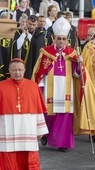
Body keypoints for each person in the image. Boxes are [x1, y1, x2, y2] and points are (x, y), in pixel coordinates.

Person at [0, 58, 48, 170]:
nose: (17, 73)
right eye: (14, 70)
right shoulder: (0, 87)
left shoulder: (33, 86)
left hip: (28, 130)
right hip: (7, 130)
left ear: (24, 70)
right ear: (9, 70)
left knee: (28, 163)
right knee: (8, 163)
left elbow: (38, 110)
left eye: (20, 70)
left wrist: (40, 130)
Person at [32, 17, 82, 152]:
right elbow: (39, 71)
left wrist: (79, 65)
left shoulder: (72, 53)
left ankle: (63, 143)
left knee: (65, 115)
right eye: (58, 38)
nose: (61, 41)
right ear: (54, 38)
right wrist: (40, 86)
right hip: (50, 87)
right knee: (49, 113)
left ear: (67, 39)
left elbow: (78, 74)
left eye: (63, 39)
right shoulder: (46, 52)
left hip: (66, 88)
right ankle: (46, 134)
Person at [11, 15, 45, 79]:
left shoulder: (40, 34)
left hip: (32, 61)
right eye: (29, 24)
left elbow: (37, 46)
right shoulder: (19, 32)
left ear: (37, 25)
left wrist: (29, 35)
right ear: (26, 22)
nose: (31, 26)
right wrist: (23, 34)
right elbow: (17, 46)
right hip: (21, 59)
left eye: (34, 25)